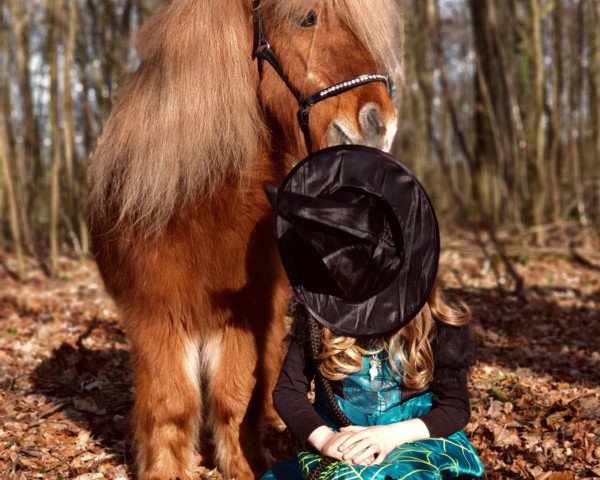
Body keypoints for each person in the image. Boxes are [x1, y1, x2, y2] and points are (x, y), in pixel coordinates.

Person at [261, 146, 485, 480]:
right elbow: (288, 392)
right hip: (344, 448)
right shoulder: (317, 320)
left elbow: (455, 407)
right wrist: (325, 439)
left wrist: (389, 435)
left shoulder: (438, 324)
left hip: (416, 443)